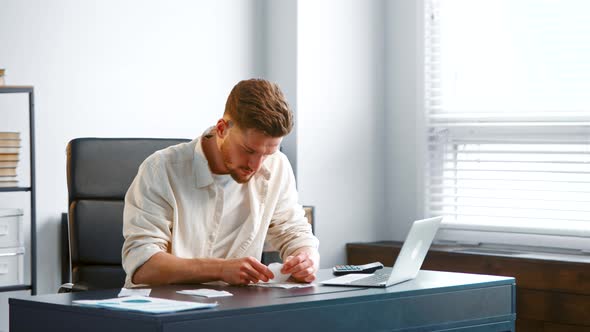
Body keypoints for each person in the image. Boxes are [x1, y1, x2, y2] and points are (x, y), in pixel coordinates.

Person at [121, 79, 319, 288]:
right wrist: (221, 269)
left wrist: (306, 259)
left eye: (267, 153)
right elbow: (142, 265)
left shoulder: (277, 165)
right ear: (222, 128)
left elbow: (294, 232)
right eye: (249, 150)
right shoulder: (160, 169)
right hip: (162, 308)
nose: (256, 165)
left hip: (234, 307)